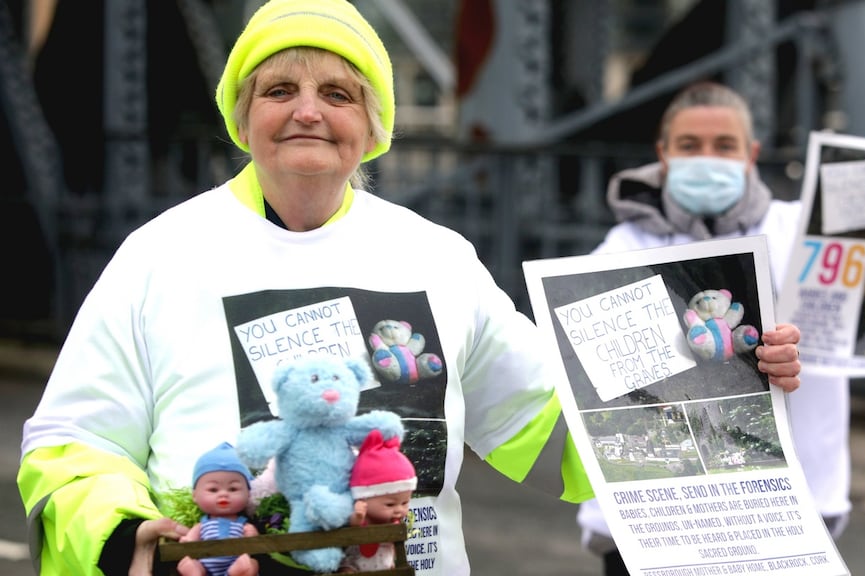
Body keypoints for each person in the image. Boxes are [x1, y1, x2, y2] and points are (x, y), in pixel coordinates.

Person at [16, 2, 803, 575]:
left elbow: (566, 416)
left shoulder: (435, 258)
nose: (307, 113)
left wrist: (730, 376)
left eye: (338, 92)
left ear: (374, 122)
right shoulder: (160, 254)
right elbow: (71, 445)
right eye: (278, 89)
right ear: (242, 113)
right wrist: (131, 540)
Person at [575, 81, 865, 575]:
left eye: (724, 146)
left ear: (752, 153)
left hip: (789, 510)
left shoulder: (806, 232)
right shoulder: (619, 247)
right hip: (655, 520)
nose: (707, 158)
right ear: (662, 154)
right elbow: (588, 363)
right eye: (689, 145)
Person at [339, 429, 418, 573]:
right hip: (355, 566)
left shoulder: (394, 524)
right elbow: (353, 525)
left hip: (385, 568)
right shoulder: (363, 516)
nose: (399, 509)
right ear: (363, 497)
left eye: (405, 503)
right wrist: (358, 516)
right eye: (390, 504)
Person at [178, 442, 260, 576]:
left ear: (248, 494)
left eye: (233, 489)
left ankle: (238, 572)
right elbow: (191, 539)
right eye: (213, 489)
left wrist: (251, 534)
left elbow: (253, 542)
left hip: (235, 565)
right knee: (187, 563)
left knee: (250, 564)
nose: (223, 494)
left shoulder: (243, 524)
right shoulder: (201, 526)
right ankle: (196, 572)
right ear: (194, 496)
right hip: (207, 570)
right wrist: (188, 540)